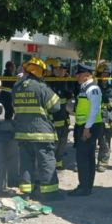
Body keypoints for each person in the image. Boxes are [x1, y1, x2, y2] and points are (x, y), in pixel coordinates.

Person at [12, 57, 64, 201]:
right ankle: (49, 192)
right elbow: (56, 107)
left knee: (26, 162)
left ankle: (26, 192)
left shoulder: (17, 87)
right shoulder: (41, 87)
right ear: (41, 71)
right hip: (41, 132)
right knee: (46, 161)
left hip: (22, 132)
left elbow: (14, 107)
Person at [70, 64, 103, 197]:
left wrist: (87, 128)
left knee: (82, 157)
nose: (77, 76)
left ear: (87, 75)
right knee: (88, 156)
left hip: (89, 126)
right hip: (84, 125)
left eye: (79, 74)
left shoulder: (93, 88)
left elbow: (94, 109)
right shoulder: (84, 88)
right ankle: (87, 186)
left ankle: (84, 187)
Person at [46, 58, 75, 171]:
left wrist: (67, 81)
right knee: (54, 143)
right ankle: (51, 162)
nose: (61, 71)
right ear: (52, 69)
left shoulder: (64, 81)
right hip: (53, 119)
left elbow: (69, 95)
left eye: (61, 69)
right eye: (58, 68)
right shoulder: (47, 83)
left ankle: (58, 162)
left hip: (64, 118)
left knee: (62, 142)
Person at [96, 62, 112, 173]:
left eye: (107, 74)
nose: (105, 76)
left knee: (105, 144)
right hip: (95, 121)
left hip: (108, 122)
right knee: (91, 144)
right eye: (103, 74)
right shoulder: (94, 88)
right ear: (99, 75)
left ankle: (103, 163)